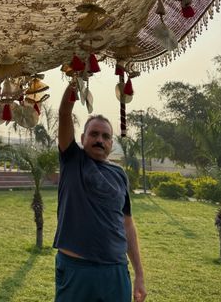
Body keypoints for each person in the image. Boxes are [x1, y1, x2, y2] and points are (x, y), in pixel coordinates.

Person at [53, 83, 147, 302]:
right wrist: (76, 79)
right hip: (77, 271)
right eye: (94, 134)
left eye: (105, 137)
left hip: (115, 271)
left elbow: (127, 225)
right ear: (83, 138)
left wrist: (139, 275)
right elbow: (64, 112)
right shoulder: (72, 159)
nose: (99, 140)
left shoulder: (119, 174)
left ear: (111, 143)